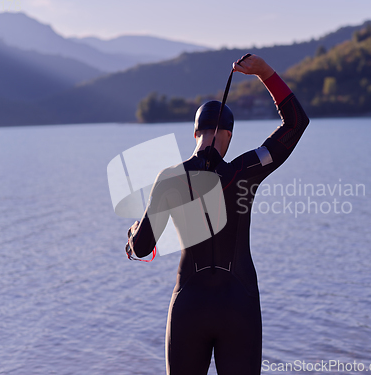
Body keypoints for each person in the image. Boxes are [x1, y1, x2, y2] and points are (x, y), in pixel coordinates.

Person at [126, 54, 310, 375]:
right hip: (239, 304)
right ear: (228, 134)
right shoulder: (246, 169)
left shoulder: (169, 178)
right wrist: (264, 73)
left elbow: (142, 247)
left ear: (195, 134)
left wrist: (131, 235)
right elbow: (295, 123)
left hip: (189, 307)